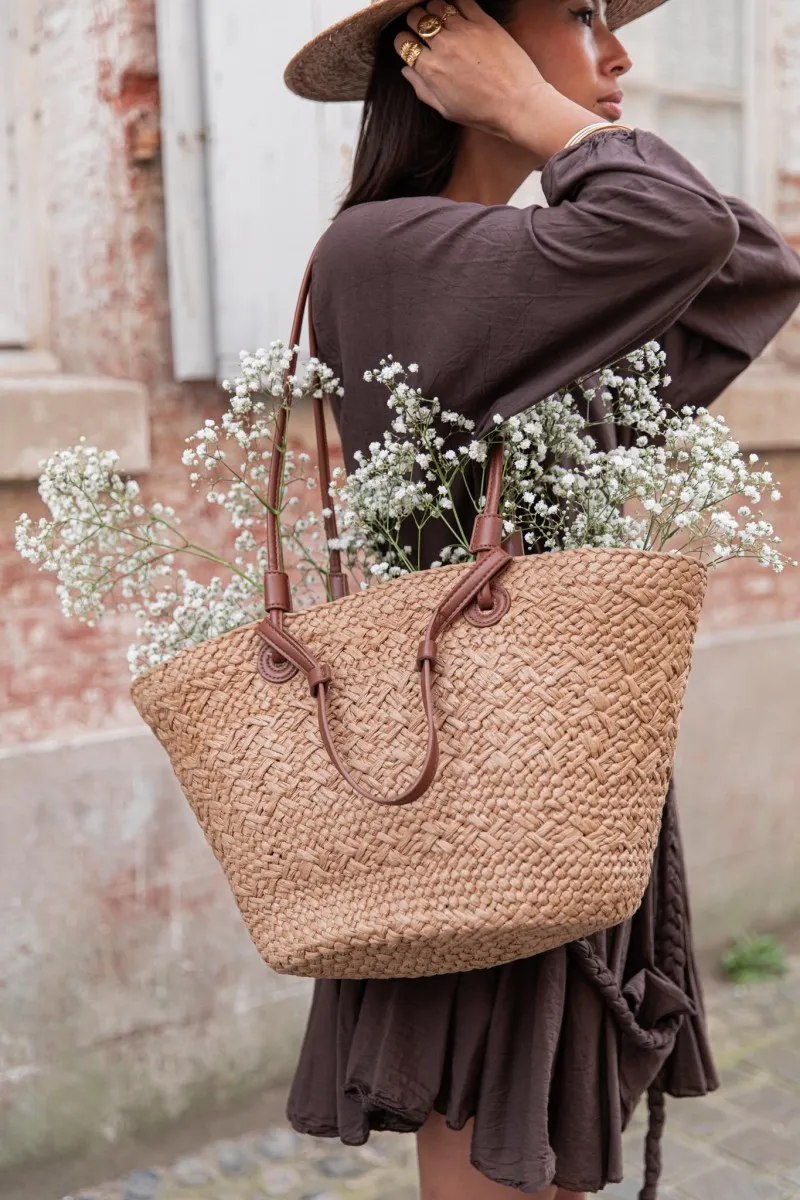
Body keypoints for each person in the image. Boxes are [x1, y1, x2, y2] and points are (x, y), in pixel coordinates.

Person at [282, 1, 800, 1197]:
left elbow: (752, 266)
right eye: (574, 16)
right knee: (496, 1145)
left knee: (558, 1153)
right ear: (455, 47)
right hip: (468, 786)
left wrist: (546, 119)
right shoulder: (392, 251)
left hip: (561, 778)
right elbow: (674, 224)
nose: (616, 55)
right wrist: (534, 112)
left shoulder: (539, 263)